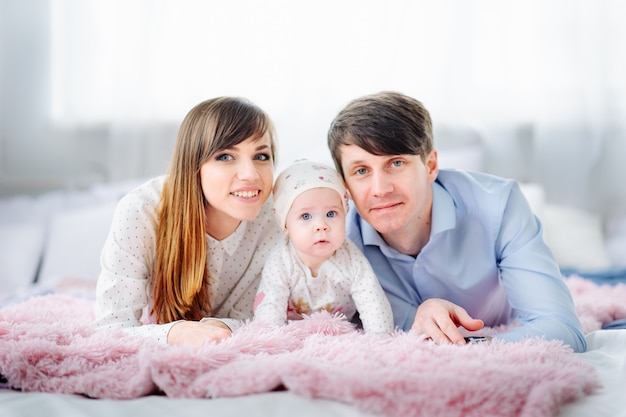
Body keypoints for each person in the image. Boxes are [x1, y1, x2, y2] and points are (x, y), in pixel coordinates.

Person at [326, 91, 587, 352]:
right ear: (344, 184)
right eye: (361, 171)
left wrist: (464, 348)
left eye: (396, 163)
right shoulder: (333, 243)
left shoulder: (500, 205)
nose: (380, 189)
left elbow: (562, 329)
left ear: (430, 166)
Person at [93, 96, 283, 348]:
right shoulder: (142, 211)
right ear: (193, 164)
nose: (250, 175)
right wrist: (174, 334)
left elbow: (276, 318)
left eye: (261, 156)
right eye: (225, 156)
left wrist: (225, 326)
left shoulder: (282, 216)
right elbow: (110, 328)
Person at [253, 160, 394, 334]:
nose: (321, 225)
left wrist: (381, 339)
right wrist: (270, 339)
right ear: (286, 226)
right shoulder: (281, 261)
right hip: (293, 330)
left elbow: (372, 300)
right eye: (305, 216)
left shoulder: (351, 258)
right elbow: (270, 306)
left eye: (331, 214)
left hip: (341, 329)